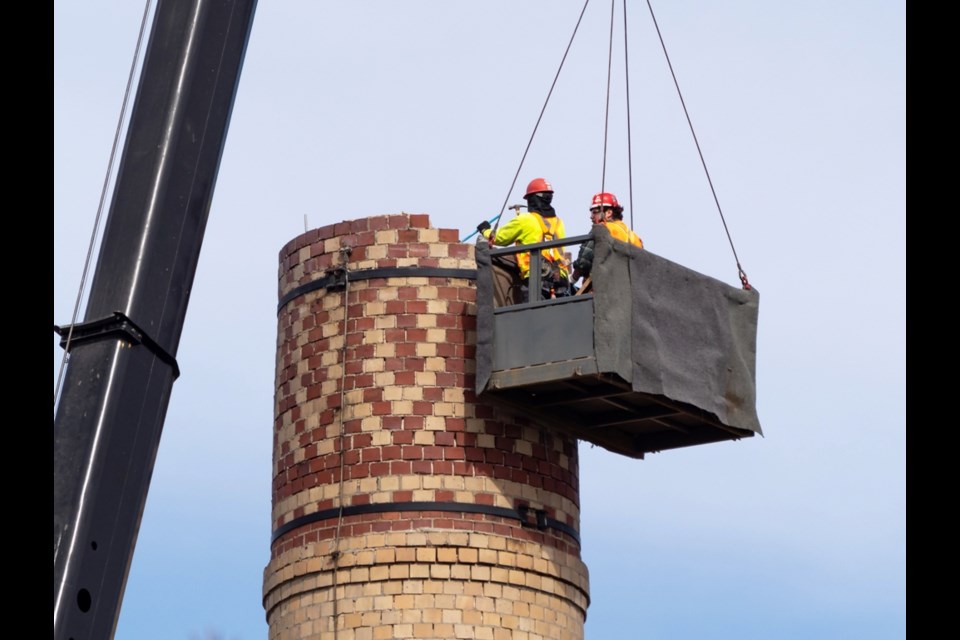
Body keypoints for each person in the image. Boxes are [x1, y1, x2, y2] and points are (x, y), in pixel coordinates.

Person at [477, 177, 570, 301]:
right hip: (561, 282)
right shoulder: (559, 223)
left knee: (532, 316)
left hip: (537, 280)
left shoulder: (525, 220)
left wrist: (485, 230)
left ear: (532, 199)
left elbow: (499, 238)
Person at [571, 192, 643, 285]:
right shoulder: (634, 237)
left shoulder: (602, 228)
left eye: (595, 212)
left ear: (608, 213)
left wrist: (572, 280)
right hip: (630, 289)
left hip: (607, 288)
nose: (591, 216)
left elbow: (583, 261)